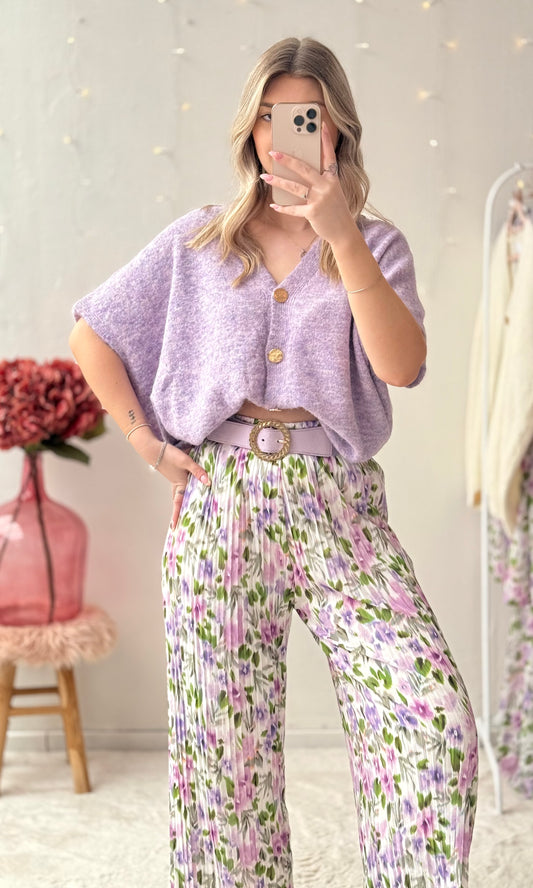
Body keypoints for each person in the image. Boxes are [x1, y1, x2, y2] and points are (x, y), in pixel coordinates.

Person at [69, 36, 478, 888]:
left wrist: (340, 235)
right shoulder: (200, 241)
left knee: (430, 715)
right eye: (266, 115)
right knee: (222, 758)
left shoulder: (376, 246)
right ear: (250, 129)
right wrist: (147, 443)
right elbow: (93, 333)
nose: (279, 132)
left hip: (338, 505)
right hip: (219, 500)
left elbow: (402, 365)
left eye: (301, 115)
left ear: (336, 128)